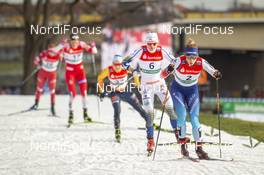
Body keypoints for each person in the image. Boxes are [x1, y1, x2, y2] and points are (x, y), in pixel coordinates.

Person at [161, 38, 222, 159]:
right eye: (189, 57)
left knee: (194, 119)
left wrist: (217, 74)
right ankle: (183, 145)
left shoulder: (201, 62)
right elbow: (162, 75)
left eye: (194, 57)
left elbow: (213, 71)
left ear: (197, 56)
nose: (191, 60)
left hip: (192, 91)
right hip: (177, 90)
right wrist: (168, 70)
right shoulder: (178, 61)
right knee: (182, 115)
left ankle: (199, 149)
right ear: (185, 56)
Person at [122, 32, 178, 152]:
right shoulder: (140, 50)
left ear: (157, 43)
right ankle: (150, 141)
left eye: (154, 44)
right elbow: (124, 63)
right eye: (149, 44)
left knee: (170, 110)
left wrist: (168, 70)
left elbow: (176, 61)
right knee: (150, 115)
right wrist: (133, 71)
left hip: (160, 84)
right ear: (146, 43)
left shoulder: (161, 50)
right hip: (146, 87)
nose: (151, 46)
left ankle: (179, 136)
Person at [97, 55, 154, 148]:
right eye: (115, 65)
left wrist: (137, 83)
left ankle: (149, 123)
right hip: (115, 93)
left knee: (139, 108)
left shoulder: (125, 68)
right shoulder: (109, 70)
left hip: (126, 91)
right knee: (117, 110)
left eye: (119, 65)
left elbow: (135, 73)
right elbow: (100, 78)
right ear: (113, 64)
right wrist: (101, 91)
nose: (117, 67)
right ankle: (117, 130)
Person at [54, 34, 97, 125]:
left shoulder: (81, 44)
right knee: (72, 94)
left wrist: (93, 46)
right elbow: (55, 51)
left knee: (84, 94)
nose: (75, 44)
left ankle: (85, 115)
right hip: (70, 73)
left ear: (78, 41)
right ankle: (71, 115)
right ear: (70, 41)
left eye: (76, 42)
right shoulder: (66, 46)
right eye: (73, 42)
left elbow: (94, 51)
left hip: (80, 72)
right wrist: (61, 45)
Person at [30, 43, 62, 116]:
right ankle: (36, 103)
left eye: (52, 51)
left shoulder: (58, 54)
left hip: (52, 74)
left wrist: (61, 55)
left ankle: (52, 107)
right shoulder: (44, 53)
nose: (51, 53)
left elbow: (64, 54)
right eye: (50, 51)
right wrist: (38, 65)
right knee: (39, 89)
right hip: (43, 73)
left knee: (52, 91)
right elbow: (36, 60)